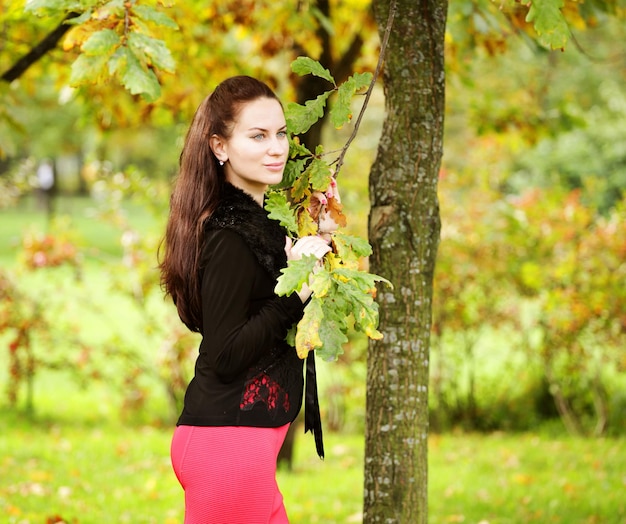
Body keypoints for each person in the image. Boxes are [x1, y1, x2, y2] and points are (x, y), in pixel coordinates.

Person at [159, 75, 332, 523]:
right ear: (220, 147)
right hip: (227, 446)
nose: (276, 148)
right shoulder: (230, 236)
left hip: (239, 444)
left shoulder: (257, 224)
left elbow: (269, 304)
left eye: (281, 134)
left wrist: (321, 234)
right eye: (258, 136)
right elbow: (227, 352)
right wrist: (296, 295)